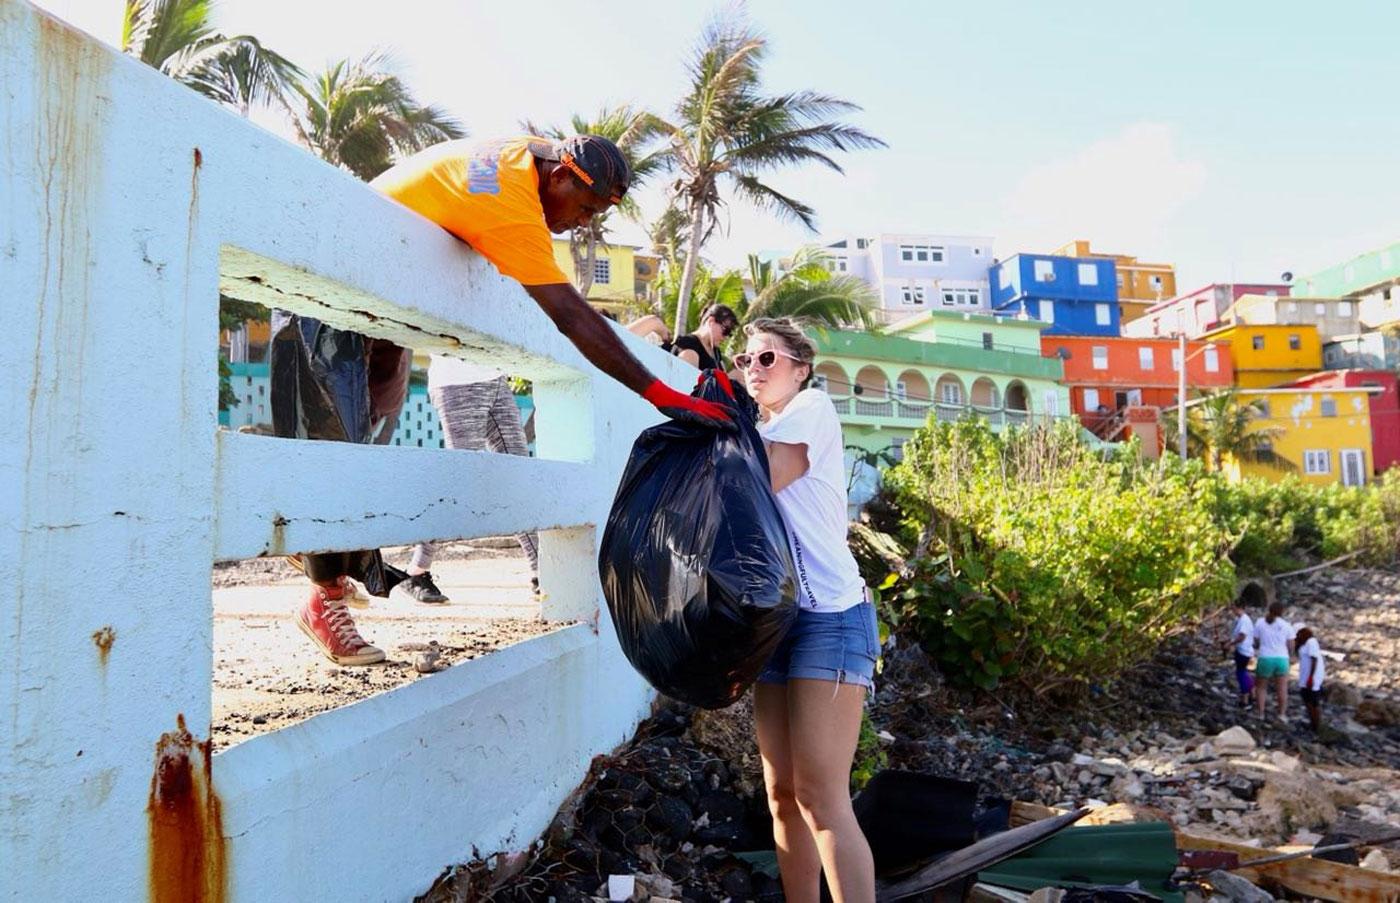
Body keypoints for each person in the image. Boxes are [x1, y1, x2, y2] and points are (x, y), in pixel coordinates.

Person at [277, 134, 734, 667]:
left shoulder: (527, 158)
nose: (583, 223)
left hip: (376, 298)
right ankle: (323, 598)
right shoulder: (511, 205)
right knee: (339, 452)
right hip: (325, 288)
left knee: (375, 416)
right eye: (584, 208)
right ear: (560, 177)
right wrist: (659, 392)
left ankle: (324, 554)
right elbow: (572, 318)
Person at [739, 317, 876, 903]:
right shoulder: (755, 426)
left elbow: (766, 477)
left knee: (821, 795)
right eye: (745, 360)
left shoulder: (812, 409)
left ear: (801, 368)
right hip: (776, 621)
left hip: (832, 617)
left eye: (767, 359)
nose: (753, 370)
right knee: (782, 792)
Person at [395, 367, 538, 605]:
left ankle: (540, 570)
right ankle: (415, 572)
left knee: (518, 476)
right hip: (457, 382)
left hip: (497, 381)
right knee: (460, 483)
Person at [1252, 601, 1295, 721]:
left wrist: (1261, 646)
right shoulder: (1287, 625)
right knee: (1282, 688)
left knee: (1261, 687)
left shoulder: (1260, 622)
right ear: (1282, 612)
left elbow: (1255, 640)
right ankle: (1281, 714)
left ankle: (1260, 713)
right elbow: (1291, 644)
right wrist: (1290, 655)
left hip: (1265, 657)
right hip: (1282, 659)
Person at [671, 304, 739, 371]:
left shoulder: (716, 352)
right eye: (726, 331)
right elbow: (687, 378)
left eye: (729, 334)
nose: (726, 337)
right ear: (711, 321)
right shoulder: (689, 344)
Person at [1222, 600, 1255, 709]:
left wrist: (1230, 643)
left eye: (1233, 608)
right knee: (1243, 672)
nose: (1232, 610)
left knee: (1240, 673)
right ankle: (1252, 693)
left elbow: (1242, 636)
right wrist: (1228, 640)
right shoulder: (1241, 619)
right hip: (1244, 650)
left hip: (1243, 651)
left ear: (1238, 607)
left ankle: (1245, 700)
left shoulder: (1244, 620)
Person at [1295, 625, 1326, 731]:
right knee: (1306, 698)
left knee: (1313, 701)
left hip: (1312, 676)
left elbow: (1314, 660)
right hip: (1305, 675)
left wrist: (1311, 677)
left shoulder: (1311, 642)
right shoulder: (1304, 643)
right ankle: (1313, 723)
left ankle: (1316, 726)